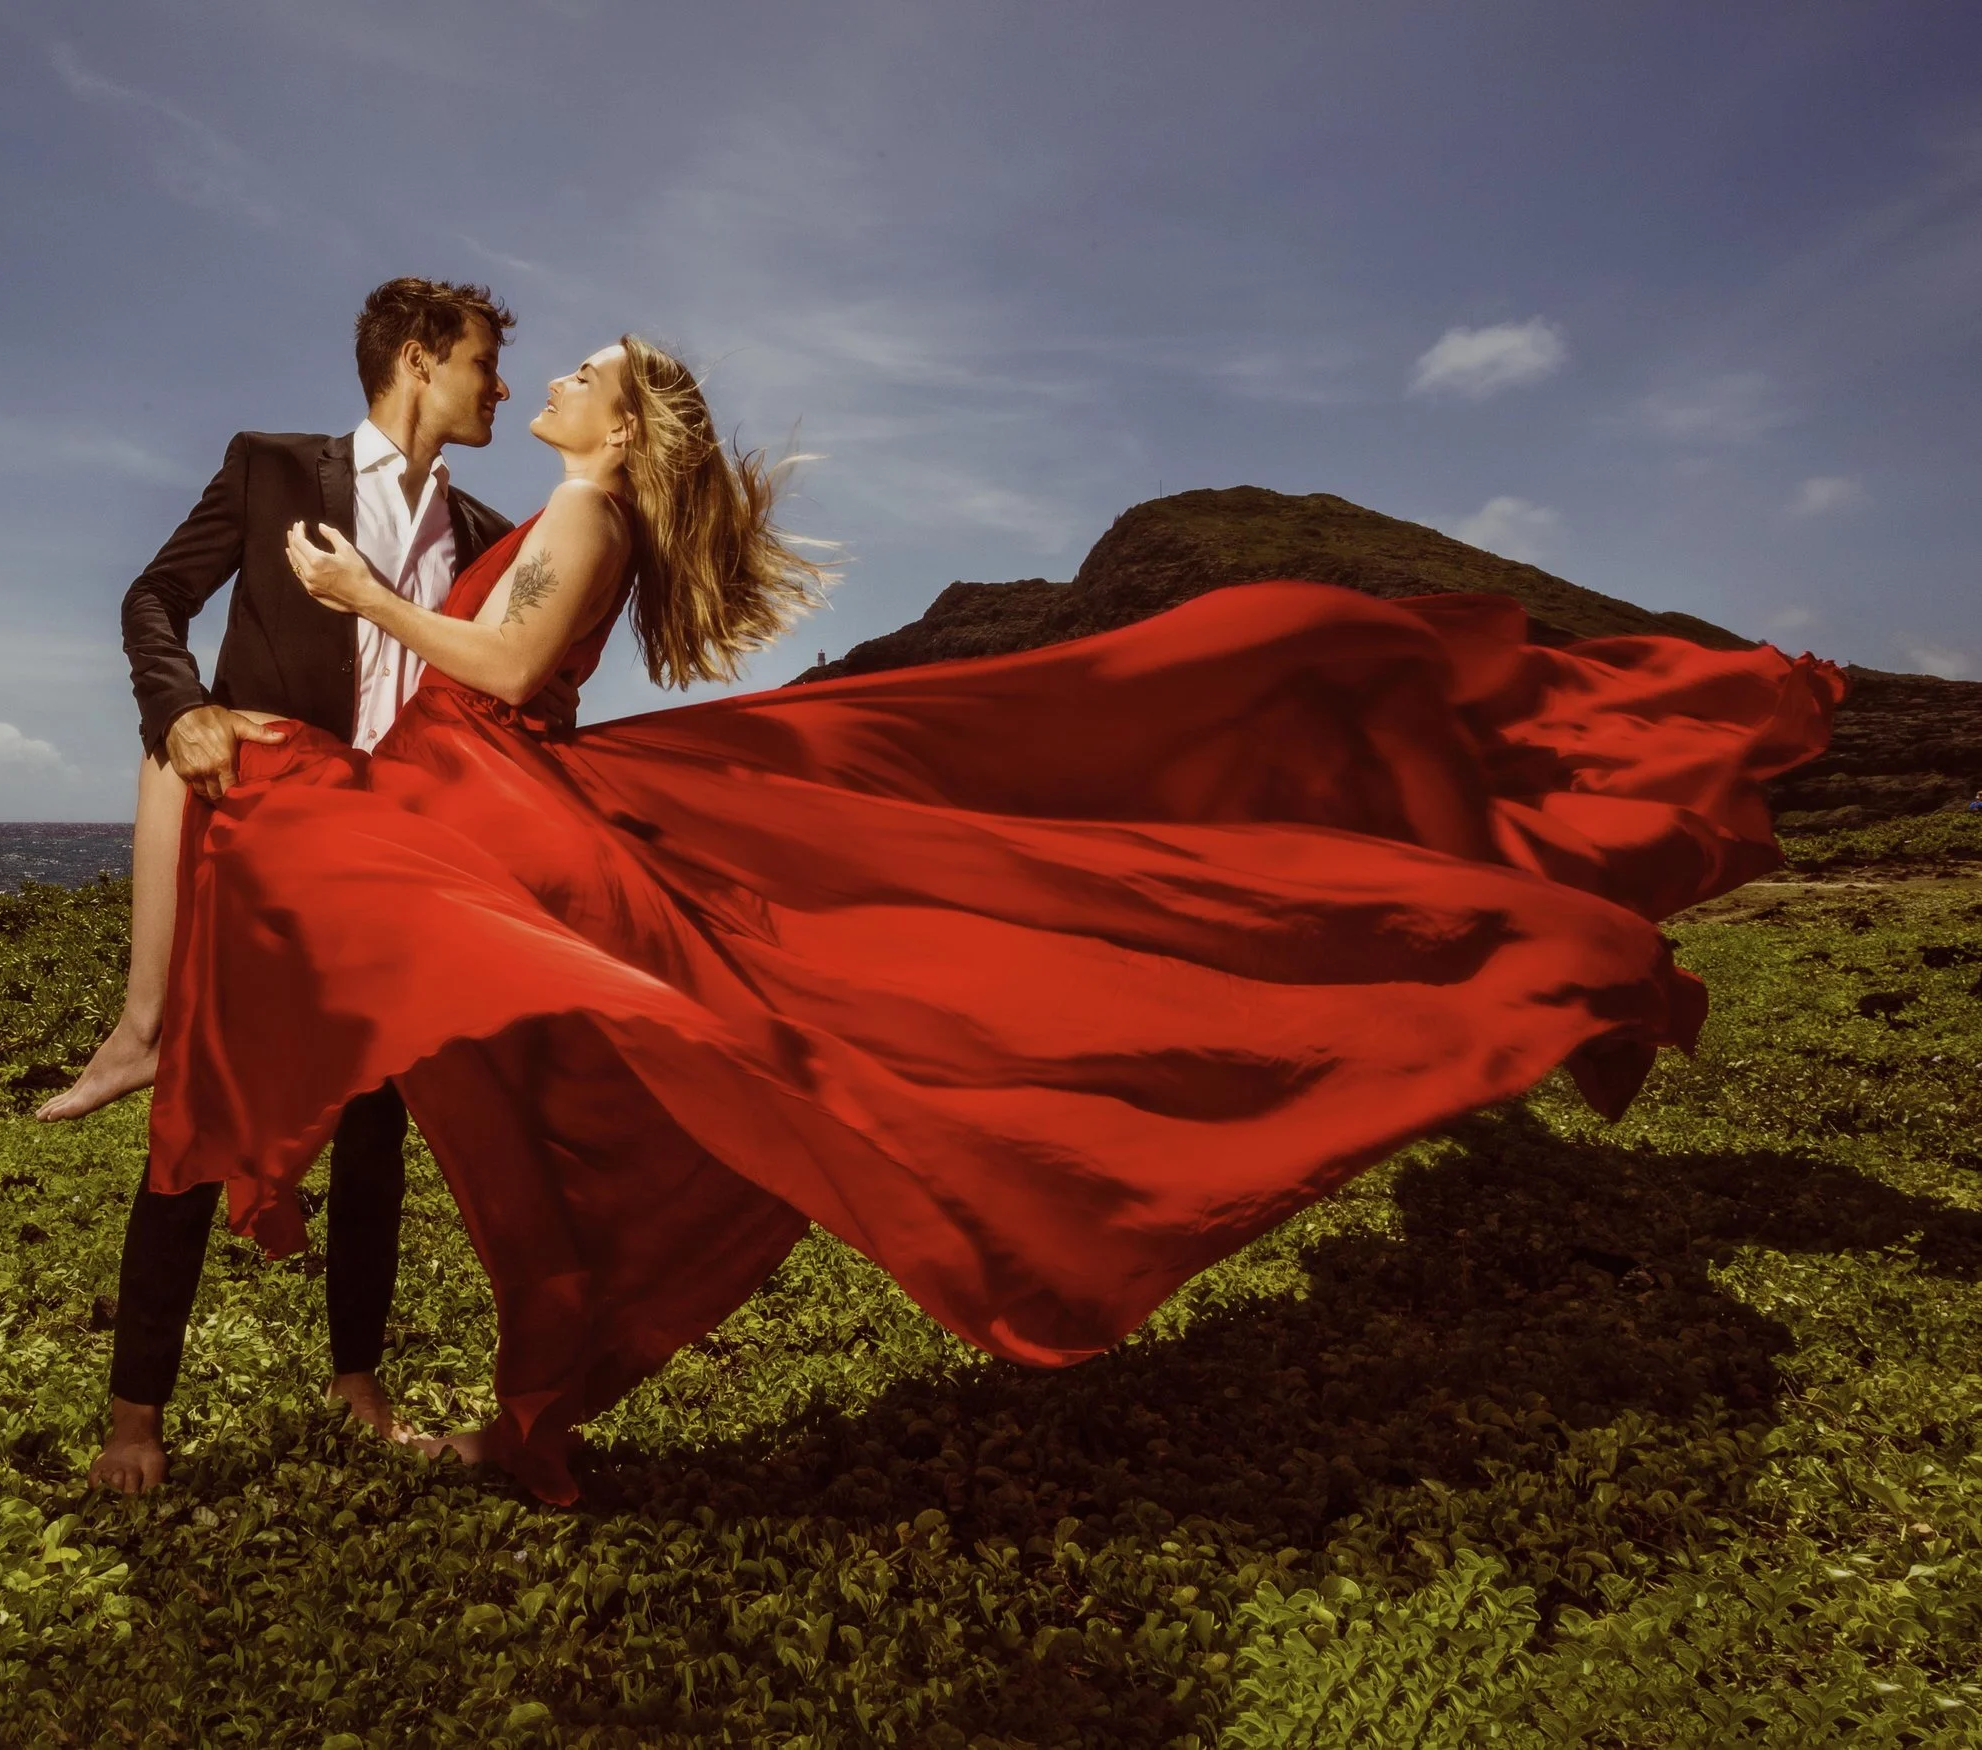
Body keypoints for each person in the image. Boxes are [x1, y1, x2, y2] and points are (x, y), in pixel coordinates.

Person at [149, 334, 1846, 1504]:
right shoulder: (570, 507)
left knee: (613, 1071)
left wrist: (361, 598)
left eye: (586, 373)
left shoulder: (582, 509)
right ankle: (489, 1365)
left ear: (623, 428)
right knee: (533, 1093)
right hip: (487, 814)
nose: (558, 381)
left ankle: (425, 1322)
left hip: (504, 812)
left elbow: (512, 670)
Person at [76, 277, 529, 1493]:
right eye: (486, 362)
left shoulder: (486, 534)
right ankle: (134, 1417)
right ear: (422, 359)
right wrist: (181, 712)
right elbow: (153, 597)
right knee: (201, 1102)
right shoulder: (272, 467)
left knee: (377, 1122)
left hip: (398, 856)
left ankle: (356, 1387)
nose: (502, 387)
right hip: (270, 831)